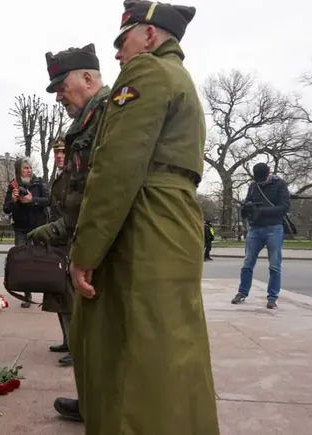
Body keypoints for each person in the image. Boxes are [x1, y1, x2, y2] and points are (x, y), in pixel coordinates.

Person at [67, 2, 220, 434]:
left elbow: (116, 168)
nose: (118, 54)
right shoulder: (180, 77)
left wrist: (86, 252)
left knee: (135, 353)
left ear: (149, 36)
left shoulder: (147, 72)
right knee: (173, 343)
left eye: (123, 40)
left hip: (145, 218)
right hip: (174, 215)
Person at [25, 42, 110, 421]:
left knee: (100, 334)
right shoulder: (88, 119)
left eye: (62, 86)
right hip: (82, 236)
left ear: (88, 78)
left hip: (102, 242)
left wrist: (72, 235)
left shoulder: (109, 113)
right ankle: (94, 401)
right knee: (88, 334)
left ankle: (103, 407)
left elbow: (105, 188)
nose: (59, 96)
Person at [35, 137, 74, 367]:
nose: (60, 156)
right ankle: (67, 340)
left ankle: (76, 345)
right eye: (57, 152)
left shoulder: (73, 178)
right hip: (57, 242)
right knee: (59, 295)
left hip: (68, 242)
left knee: (69, 298)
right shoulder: (60, 178)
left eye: (64, 152)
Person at [231, 162, 291, 309]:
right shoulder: (253, 186)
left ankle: (272, 297)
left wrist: (262, 211)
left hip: (273, 228)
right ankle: (242, 292)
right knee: (247, 263)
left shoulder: (279, 185)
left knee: (274, 265)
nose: (261, 182)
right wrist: (246, 209)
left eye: (263, 179)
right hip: (255, 228)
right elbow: (247, 204)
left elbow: (285, 207)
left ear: (268, 173)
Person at [3, 157, 50, 308]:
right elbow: (6, 209)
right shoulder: (13, 186)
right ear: (19, 170)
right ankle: (27, 294)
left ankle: (47, 292)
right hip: (21, 230)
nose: (28, 170)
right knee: (22, 261)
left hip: (38, 228)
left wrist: (32, 200)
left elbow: (48, 200)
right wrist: (14, 200)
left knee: (41, 260)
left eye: (29, 168)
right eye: (25, 168)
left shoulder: (38, 182)